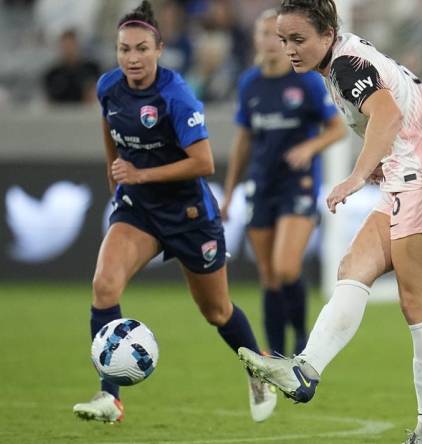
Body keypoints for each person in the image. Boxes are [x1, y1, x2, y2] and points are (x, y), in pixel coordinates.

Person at [238, 1, 422, 443]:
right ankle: (305, 370)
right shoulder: (342, 61)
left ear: (327, 34)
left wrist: (356, 175)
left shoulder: (346, 65)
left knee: (419, 304)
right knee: (354, 268)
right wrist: (382, 162)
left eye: (298, 40)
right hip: (414, 175)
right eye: (283, 39)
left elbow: (388, 115)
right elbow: (398, 114)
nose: (288, 49)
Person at [72, 0, 276, 424]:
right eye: (124, 49)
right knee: (104, 287)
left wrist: (140, 175)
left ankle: (259, 368)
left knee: (216, 312)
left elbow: (204, 163)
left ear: (159, 49)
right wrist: (117, 173)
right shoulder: (109, 86)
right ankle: (111, 398)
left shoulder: (175, 95)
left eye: (141, 49)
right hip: (140, 212)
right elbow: (108, 125)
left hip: (188, 215)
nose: (132, 58)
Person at [221, 9, 345, 357]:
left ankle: (303, 338)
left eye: (280, 37)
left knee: (286, 267)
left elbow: (335, 129)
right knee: (269, 276)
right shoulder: (249, 83)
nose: (272, 43)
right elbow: (244, 140)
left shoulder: (304, 80)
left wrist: (309, 146)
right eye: (265, 35)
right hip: (261, 184)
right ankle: (276, 356)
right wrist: (229, 194)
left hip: (298, 184)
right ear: (256, 40)